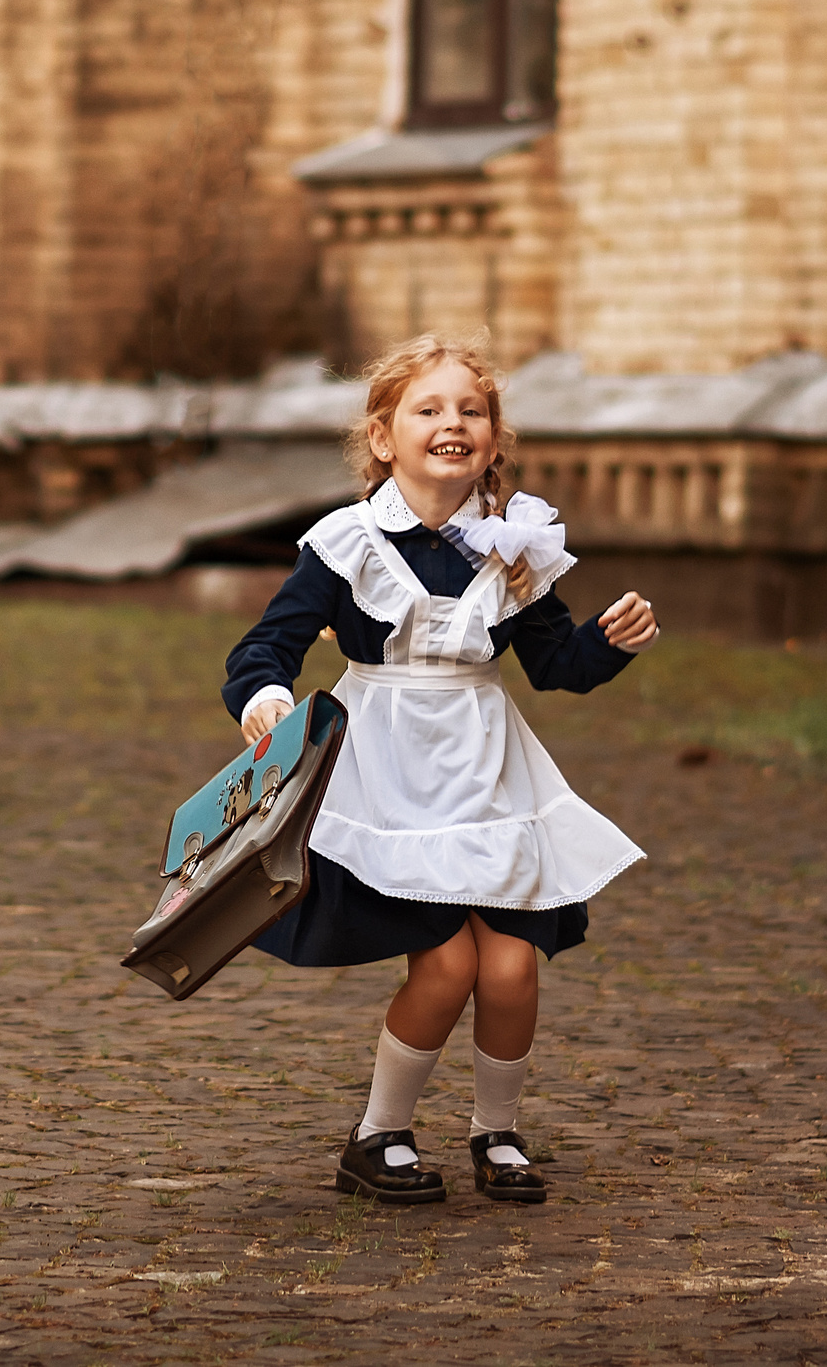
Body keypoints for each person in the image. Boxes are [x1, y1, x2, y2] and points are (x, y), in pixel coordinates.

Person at [225, 336, 658, 1205]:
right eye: (428, 409)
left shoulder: (514, 546)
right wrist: (267, 699)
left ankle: (496, 1131)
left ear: (494, 439)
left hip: (488, 772)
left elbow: (555, 663)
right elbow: (261, 647)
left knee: (511, 968)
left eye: (472, 409)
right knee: (447, 964)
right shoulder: (345, 542)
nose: (452, 423)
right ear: (385, 437)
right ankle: (376, 1133)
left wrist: (607, 643)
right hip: (384, 776)